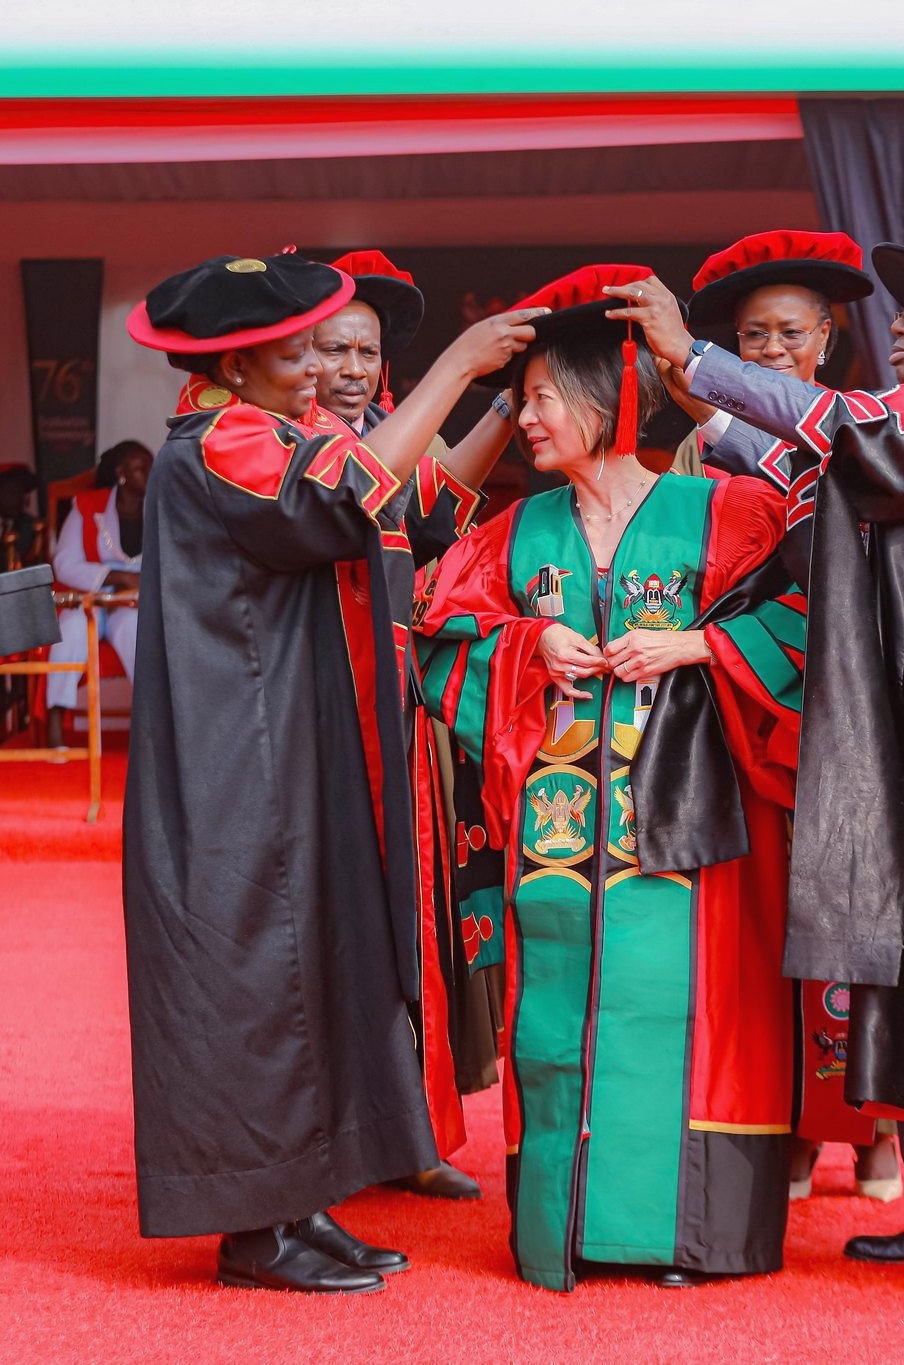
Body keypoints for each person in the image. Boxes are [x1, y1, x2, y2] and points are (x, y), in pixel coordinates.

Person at [608, 224, 904, 1291]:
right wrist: (715, 412)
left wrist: (698, 359)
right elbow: (828, 465)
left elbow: (851, 425)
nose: (898, 331)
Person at [122, 250, 543, 1294]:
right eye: (301, 347)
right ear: (238, 359)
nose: (323, 364)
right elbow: (343, 503)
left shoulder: (281, 433)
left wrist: (499, 396)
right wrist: (451, 367)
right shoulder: (220, 440)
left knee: (315, 972)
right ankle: (254, 1229)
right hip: (236, 760)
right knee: (257, 981)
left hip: (297, 750)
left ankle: (304, 1202)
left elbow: (417, 507)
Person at [414, 263, 806, 1293]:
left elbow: (815, 628)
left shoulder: (729, 513)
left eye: (540, 399)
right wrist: (528, 643)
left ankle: (681, 1234)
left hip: (682, 818)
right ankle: (563, 1230)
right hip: (553, 828)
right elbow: (439, 631)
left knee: (676, 1011)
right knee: (553, 1016)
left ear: (603, 400)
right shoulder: (516, 533)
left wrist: (697, 651)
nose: (527, 421)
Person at [664, 229, 898, 1202]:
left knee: (853, 924)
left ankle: (874, 1131)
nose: (767, 352)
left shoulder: (865, 432)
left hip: (838, 710)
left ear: (829, 338)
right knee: (758, 933)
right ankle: (788, 1127)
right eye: (750, 336)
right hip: (732, 705)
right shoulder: (693, 446)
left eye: (787, 334)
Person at [313, 248, 515, 1203]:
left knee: (419, 926)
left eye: (368, 351)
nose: (353, 369)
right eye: (333, 348)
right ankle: (336, 1136)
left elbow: (437, 504)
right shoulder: (294, 448)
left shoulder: (383, 450)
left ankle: (417, 1129)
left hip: (399, 723)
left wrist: (515, 404)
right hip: (319, 729)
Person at [44, 441, 151, 748]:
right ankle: (56, 725)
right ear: (121, 474)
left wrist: (136, 583)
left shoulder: (161, 507)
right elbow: (64, 564)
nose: (150, 472)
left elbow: (176, 560)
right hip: (89, 596)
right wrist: (116, 575)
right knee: (73, 630)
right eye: (141, 467)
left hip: (131, 602)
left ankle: (150, 729)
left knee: (136, 630)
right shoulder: (87, 505)